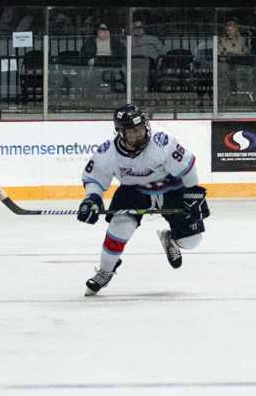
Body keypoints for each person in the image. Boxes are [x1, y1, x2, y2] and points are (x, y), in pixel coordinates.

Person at [76, 106, 207, 295]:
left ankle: (170, 239)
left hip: (172, 188)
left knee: (192, 241)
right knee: (119, 227)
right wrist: (92, 198)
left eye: (140, 129)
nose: (138, 135)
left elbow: (187, 167)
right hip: (133, 192)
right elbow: (94, 179)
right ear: (120, 133)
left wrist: (193, 192)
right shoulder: (107, 152)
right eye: (131, 132)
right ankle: (105, 271)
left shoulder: (162, 143)